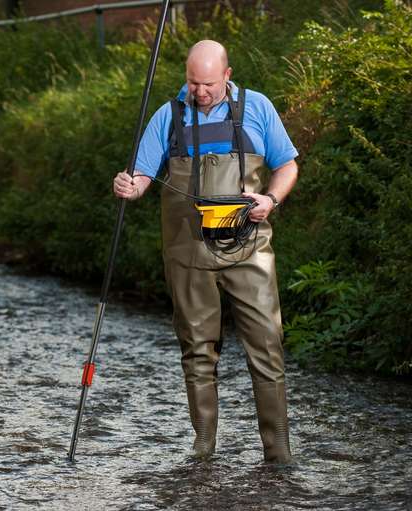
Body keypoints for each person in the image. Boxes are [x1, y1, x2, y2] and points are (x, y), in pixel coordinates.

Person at [113, 40, 298, 463]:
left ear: (228, 76)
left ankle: (279, 452)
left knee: (268, 345)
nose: (200, 92)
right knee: (197, 349)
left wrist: (271, 199)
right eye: (193, 82)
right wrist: (129, 186)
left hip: (250, 248)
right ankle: (203, 452)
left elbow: (287, 164)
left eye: (209, 84)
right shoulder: (168, 116)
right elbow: (141, 178)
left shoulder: (257, 107)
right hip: (187, 253)